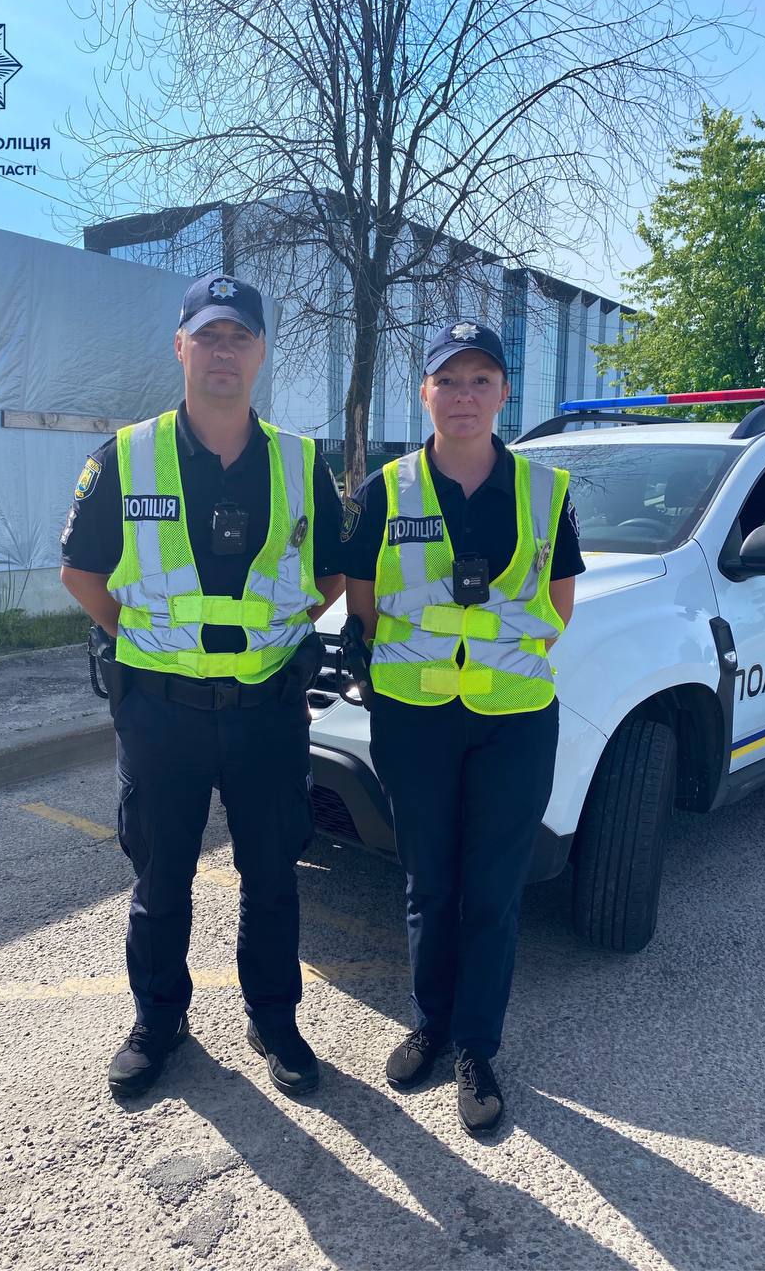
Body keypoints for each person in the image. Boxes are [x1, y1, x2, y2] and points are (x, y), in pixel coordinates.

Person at [59, 273, 344, 1098]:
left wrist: (269, 639)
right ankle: (159, 1023)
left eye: (239, 337)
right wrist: (147, 643)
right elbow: (82, 572)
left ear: (260, 353)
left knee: (273, 876)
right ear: (180, 347)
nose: (224, 351)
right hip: (162, 712)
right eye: (209, 336)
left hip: (266, 710)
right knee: (161, 879)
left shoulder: (301, 461)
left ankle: (274, 1018)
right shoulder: (125, 456)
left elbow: (329, 574)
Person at [341, 320, 584, 1135]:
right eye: (448, 380)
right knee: (429, 883)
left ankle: (477, 1047)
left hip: (513, 723)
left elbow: (557, 609)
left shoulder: (547, 490)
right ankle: (431, 1025)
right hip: (414, 720)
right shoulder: (385, 490)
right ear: (425, 393)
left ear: (505, 393)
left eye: (481, 380)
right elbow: (364, 604)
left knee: (491, 892)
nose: (464, 396)